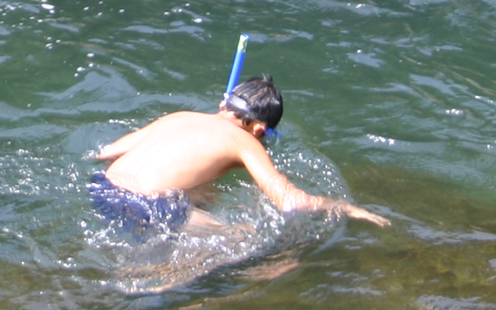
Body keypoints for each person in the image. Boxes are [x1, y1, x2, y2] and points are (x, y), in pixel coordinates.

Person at [89, 77, 389, 238]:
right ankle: (164, 282)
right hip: (147, 206)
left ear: (225, 104)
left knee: (203, 195)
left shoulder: (180, 116)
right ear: (259, 128)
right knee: (241, 236)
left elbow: (107, 153)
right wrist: (342, 206)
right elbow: (291, 202)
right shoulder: (246, 141)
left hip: (102, 188)